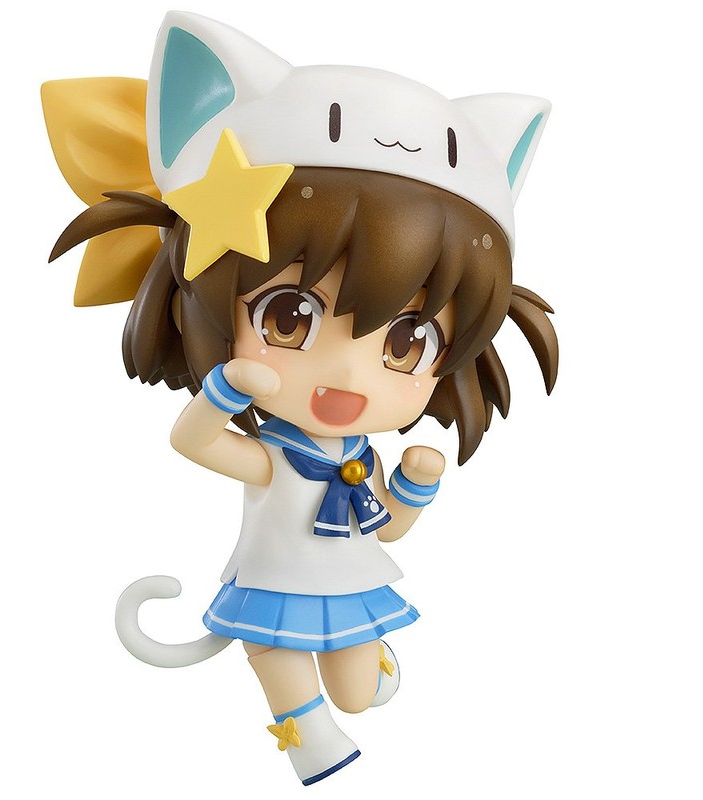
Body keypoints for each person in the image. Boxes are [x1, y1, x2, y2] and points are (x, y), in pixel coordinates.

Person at [43, 10, 558, 785]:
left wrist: (415, 482)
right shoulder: (275, 457)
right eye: (290, 319)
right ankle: (303, 731)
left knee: (361, 694)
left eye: (406, 343)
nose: (348, 376)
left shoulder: (356, 458)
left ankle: (350, 691)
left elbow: (392, 526)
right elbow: (191, 440)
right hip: (272, 590)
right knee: (285, 661)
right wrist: (223, 391)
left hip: (353, 590)